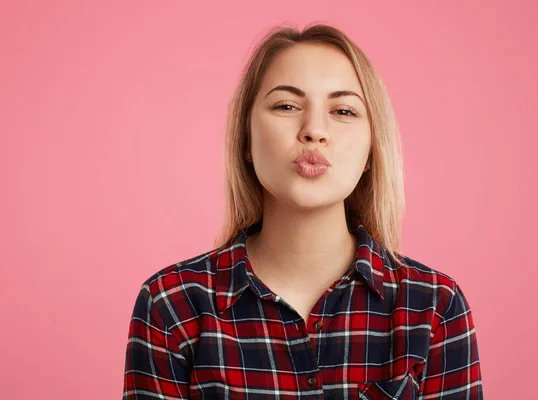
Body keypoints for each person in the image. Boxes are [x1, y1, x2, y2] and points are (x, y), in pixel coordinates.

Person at [123, 23, 483, 399]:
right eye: (287, 106)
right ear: (246, 138)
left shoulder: (434, 307)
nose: (314, 130)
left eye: (343, 110)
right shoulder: (171, 304)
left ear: (371, 152)